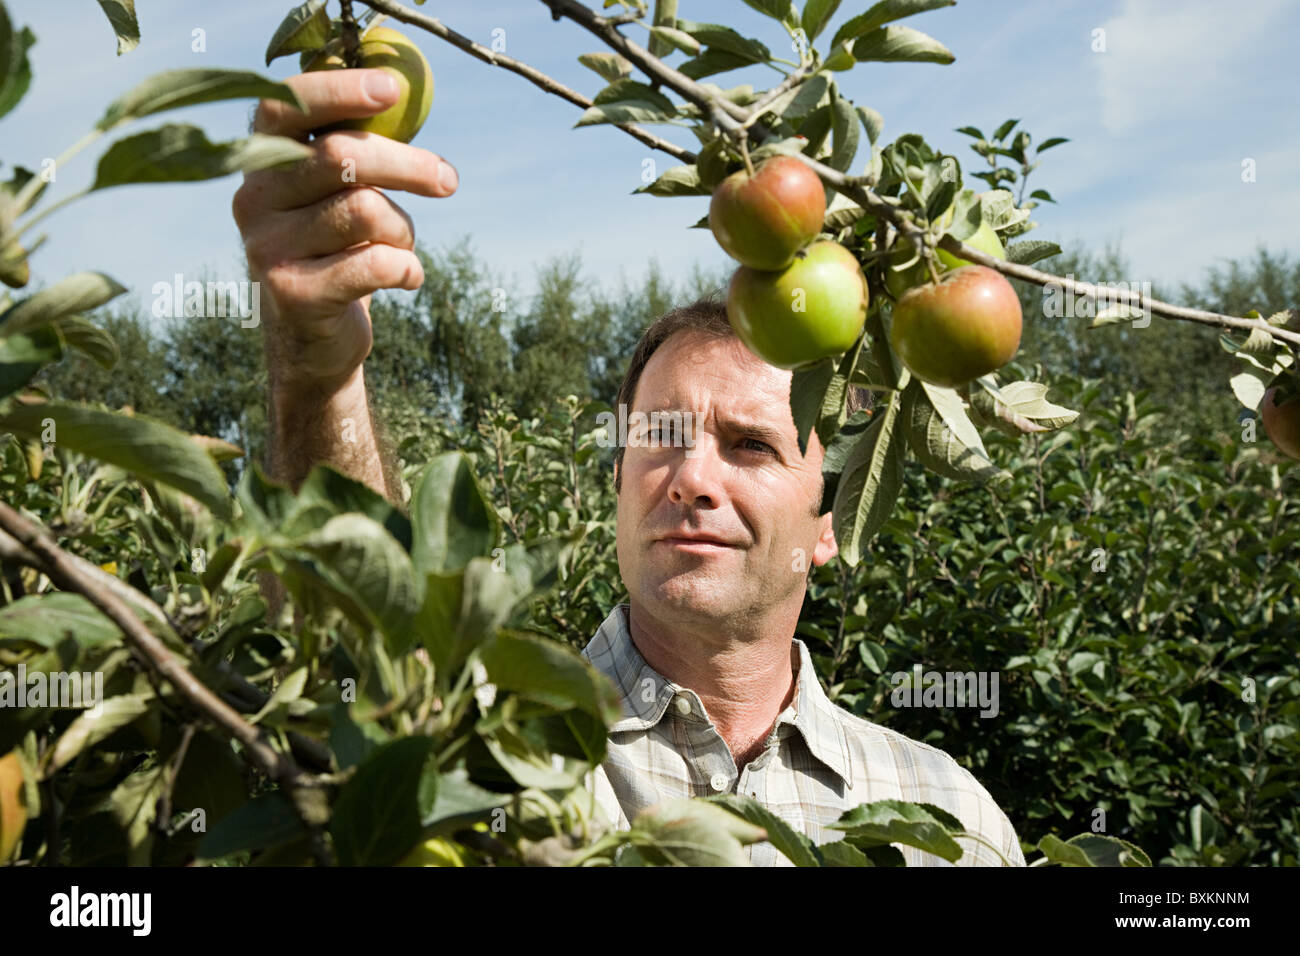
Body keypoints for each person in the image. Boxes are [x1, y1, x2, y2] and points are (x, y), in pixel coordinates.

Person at [234, 69, 1026, 867]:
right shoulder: (489, 747)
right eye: (661, 438)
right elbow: (355, 659)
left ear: (828, 520)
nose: (692, 478)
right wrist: (316, 368)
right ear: (616, 484)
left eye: (751, 444)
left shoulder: (950, 821)